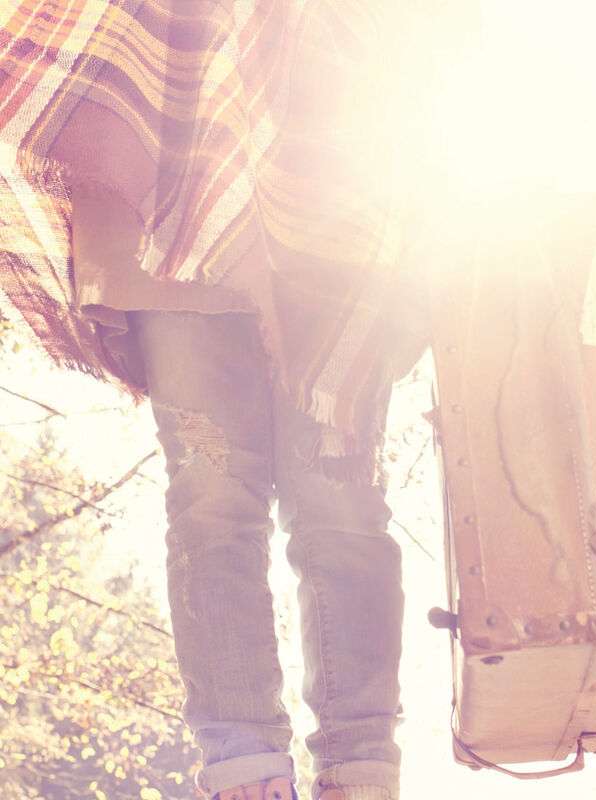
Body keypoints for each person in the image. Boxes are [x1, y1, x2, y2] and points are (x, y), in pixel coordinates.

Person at [0, 2, 477, 798]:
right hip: (180, 198)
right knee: (214, 500)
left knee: (338, 500)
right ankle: (247, 772)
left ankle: (358, 770)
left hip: (346, 208)